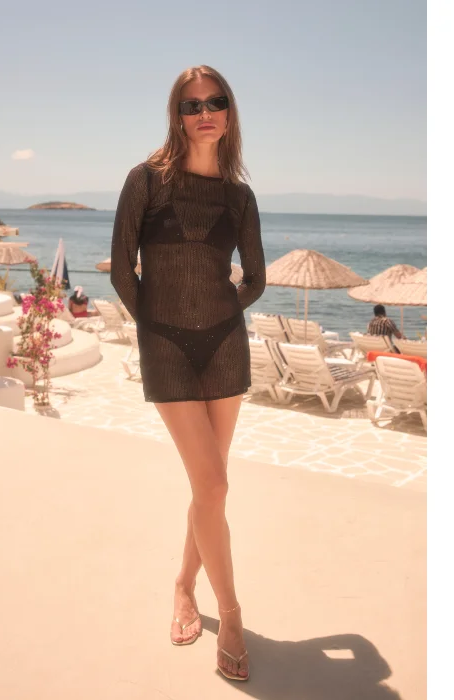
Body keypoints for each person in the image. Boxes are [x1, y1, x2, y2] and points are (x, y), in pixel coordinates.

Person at [110, 65, 266, 682]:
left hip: (225, 347)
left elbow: (255, 279)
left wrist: (218, 313)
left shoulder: (240, 197)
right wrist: (158, 329)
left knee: (210, 488)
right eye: (191, 105)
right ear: (176, 115)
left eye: (214, 102)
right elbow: (123, 270)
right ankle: (231, 615)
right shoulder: (146, 181)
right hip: (167, 348)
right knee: (215, 486)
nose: (204, 114)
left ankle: (183, 584)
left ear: (229, 112)